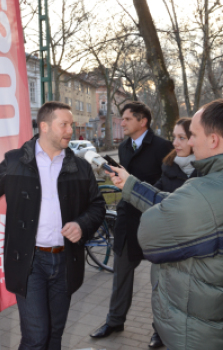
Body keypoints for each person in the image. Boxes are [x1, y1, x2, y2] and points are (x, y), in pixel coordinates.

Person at [0, 101, 105, 350]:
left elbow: (97, 206)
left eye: (71, 124)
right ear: (44, 126)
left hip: (66, 261)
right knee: (36, 337)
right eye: (64, 124)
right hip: (30, 263)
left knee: (55, 334)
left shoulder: (79, 166)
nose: (71, 130)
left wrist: (82, 224)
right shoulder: (16, 162)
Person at [107, 99, 223, 350]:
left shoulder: (204, 188)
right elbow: (173, 205)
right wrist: (130, 184)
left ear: (213, 140)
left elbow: (156, 231)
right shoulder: (205, 187)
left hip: (200, 331)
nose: (188, 143)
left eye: (192, 135)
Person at [90, 101, 173, 339]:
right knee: (121, 275)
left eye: (126, 119)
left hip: (155, 222)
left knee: (162, 281)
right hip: (127, 222)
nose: (122, 123)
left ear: (142, 121)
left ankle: (161, 330)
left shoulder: (163, 147)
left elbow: (167, 183)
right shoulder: (124, 146)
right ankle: (114, 321)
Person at [149, 118, 197, 348]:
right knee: (162, 293)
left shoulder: (207, 170)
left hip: (197, 247)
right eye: (174, 137)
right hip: (169, 244)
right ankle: (158, 331)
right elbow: (155, 196)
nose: (175, 143)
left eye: (182, 138)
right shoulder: (169, 165)